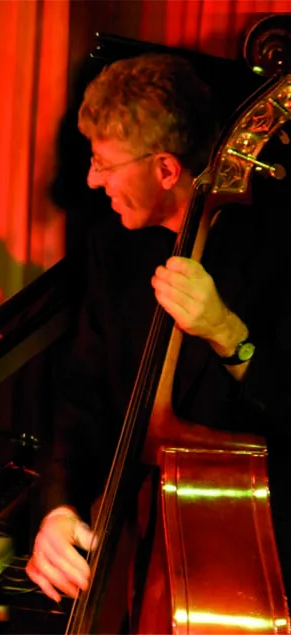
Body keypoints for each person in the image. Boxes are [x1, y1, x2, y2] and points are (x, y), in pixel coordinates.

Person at [26, 54, 290, 606]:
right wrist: (58, 508)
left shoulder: (276, 250)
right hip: (134, 535)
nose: (92, 180)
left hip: (249, 553)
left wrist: (228, 333)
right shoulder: (113, 246)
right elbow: (79, 398)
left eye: (104, 164)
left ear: (166, 169)